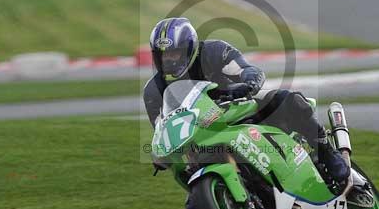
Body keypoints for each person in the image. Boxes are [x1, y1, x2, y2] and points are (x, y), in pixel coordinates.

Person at [143, 17, 350, 187]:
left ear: (189, 48)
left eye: (173, 53)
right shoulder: (153, 92)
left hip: (236, 109)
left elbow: (247, 70)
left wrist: (247, 84)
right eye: (162, 56)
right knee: (194, 207)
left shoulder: (214, 51)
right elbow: (162, 129)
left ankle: (326, 152)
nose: (168, 60)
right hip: (200, 137)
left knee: (287, 99)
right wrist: (159, 153)